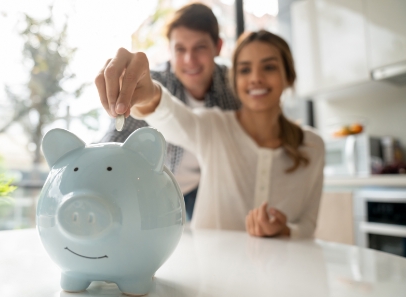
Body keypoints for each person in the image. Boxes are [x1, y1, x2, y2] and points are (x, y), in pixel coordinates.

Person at [95, 30, 325, 239]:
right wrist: (147, 93)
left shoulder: (313, 146)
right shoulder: (214, 127)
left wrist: (284, 230)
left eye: (269, 67)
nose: (256, 78)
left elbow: (307, 226)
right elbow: (170, 115)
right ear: (234, 81)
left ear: (289, 75)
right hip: (211, 275)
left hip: (282, 274)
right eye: (245, 69)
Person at [99, 3, 239, 220]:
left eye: (199, 48)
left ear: (218, 47)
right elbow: (117, 139)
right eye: (180, 49)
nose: (189, 60)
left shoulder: (234, 86)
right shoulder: (152, 84)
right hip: (162, 194)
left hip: (214, 191)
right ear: (170, 50)